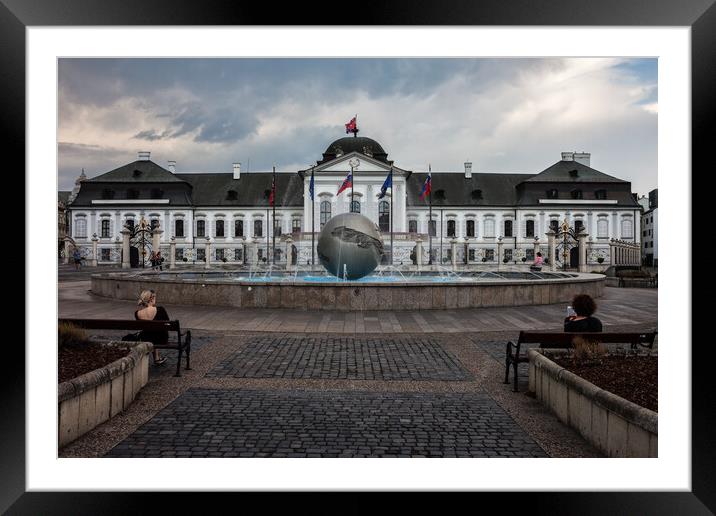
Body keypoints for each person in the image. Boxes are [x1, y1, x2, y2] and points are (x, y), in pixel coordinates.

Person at [135, 289, 168, 365]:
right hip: (161, 339)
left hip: (145, 338)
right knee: (155, 332)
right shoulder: (160, 309)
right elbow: (167, 323)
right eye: (155, 297)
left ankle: (156, 358)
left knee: (150, 332)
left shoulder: (137, 313)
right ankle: (156, 358)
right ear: (151, 298)